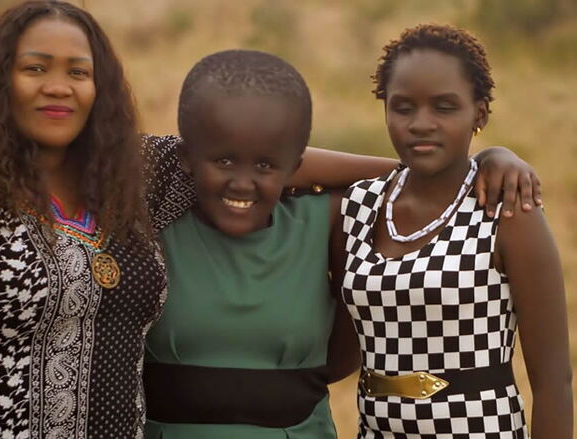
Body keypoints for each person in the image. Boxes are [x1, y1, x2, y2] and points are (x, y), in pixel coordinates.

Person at [140, 50, 545, 439]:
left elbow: (342, 359)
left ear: (292, 165)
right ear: (187, 158)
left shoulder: (331, 214)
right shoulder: (152, 206)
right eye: (224, 162)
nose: (242, 182)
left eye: (265, 165)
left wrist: (483, 161)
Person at [0, 2, 197, 438]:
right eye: (35, 68)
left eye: (78, 73)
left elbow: (250, 155)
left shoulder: (132, 183)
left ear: (100, 88)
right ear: (0, 81)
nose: (58, 87)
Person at [335, 24, 572, 438]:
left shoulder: (506, 210)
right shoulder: (358, 206)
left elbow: (554, 383)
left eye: (444, 107)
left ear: (478, 114)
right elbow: (280, 160)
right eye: (403, 107)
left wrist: (495, 156)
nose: (420, 124)